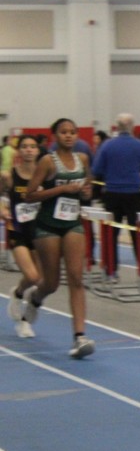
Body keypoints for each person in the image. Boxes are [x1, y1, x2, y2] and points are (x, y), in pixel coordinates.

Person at [22, 118, 96, 359]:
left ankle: (79, 337)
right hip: (47, 226)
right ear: (55, 135)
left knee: (76, 278)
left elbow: (87, 188)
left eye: (73, 132)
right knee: (51, 283)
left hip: (72, 223)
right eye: (64, 132)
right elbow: (29, 195)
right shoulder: (47, 161)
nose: (69, 136)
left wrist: (86, 192)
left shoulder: (83, 159)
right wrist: (61, 189)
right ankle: (35, 298)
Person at [90, 113, 140, 280]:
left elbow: (97, 169)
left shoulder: (107, 145)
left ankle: (111, 270)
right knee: (138, 232)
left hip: (112, 193)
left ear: (116, 127)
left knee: (111, 233)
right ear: (132, 127)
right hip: (134, 193)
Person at [2, 134, 43, 338]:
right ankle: (18, 295)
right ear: (19, 151)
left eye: (32, 146)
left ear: (37, 151)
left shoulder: (44, 175)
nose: (28, 150)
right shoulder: (9, 175)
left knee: (41, 282)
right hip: (17, 231)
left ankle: (24, 319)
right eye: (24, 146)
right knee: (32, 276)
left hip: (40, 233)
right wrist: (2, 209)